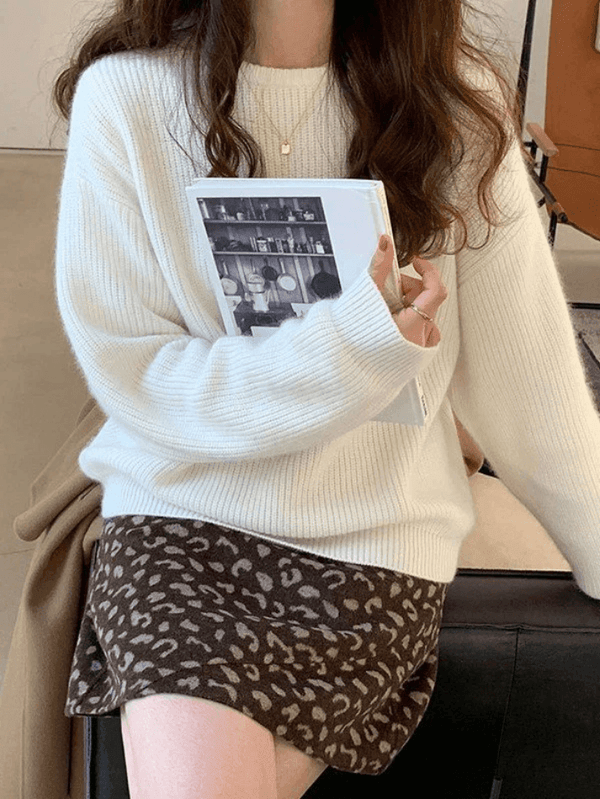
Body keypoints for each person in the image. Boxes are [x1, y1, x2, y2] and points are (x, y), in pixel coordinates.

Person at [51, 0, 600, 797]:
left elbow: (535, 394)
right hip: (182, 527)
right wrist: (352, 346)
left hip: (370, 548)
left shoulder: (454, 106)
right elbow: (139, 376)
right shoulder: (127, 98)